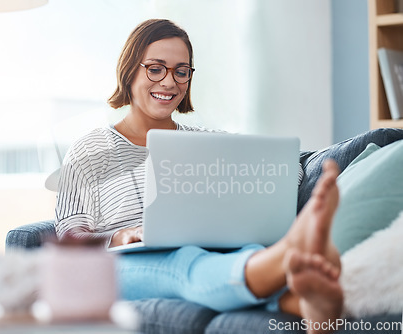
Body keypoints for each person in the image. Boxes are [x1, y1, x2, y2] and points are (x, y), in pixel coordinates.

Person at [55, 19, 343, 333]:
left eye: (181, 71)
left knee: (247, 251)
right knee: (184, 261)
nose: (169, 82)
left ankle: (305, 304)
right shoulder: (89, 149)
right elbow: (69, 239)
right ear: (129, 70)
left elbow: (283, 165)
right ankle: (290, 253)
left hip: (210, 250)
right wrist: (121, 236)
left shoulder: (205, 142)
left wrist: (278, 178)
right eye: (156, 68)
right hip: (120, 265)